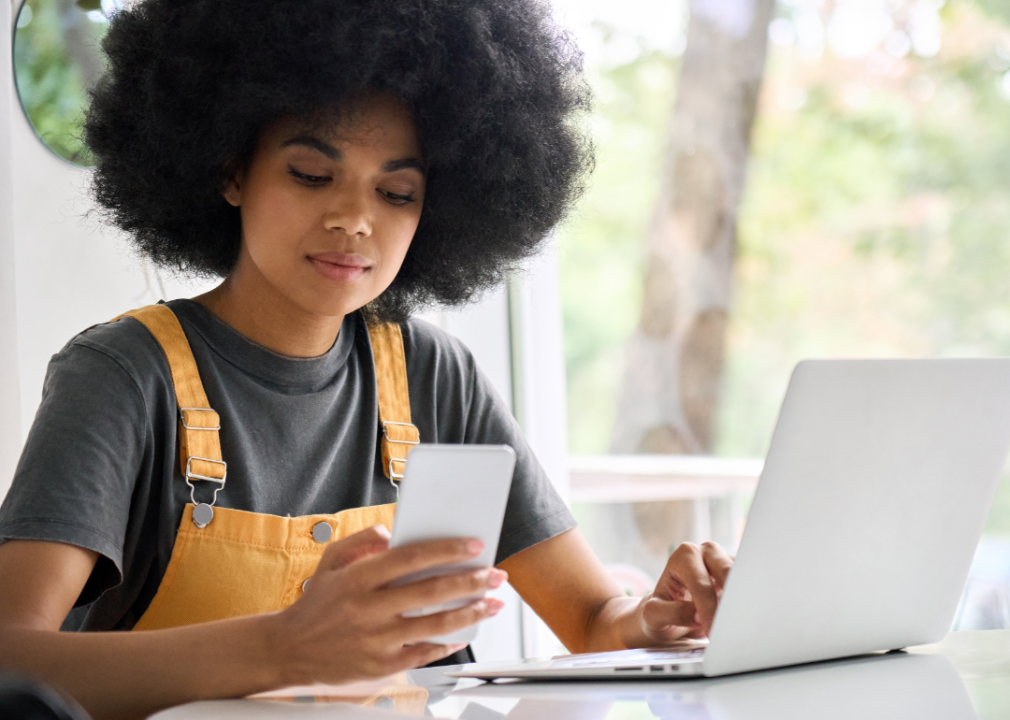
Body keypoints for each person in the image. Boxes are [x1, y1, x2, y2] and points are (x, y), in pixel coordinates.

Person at [0, 1, 734, 718]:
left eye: (396, 192)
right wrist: (286, 647)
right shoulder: (123, 375)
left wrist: (658, 620)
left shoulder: (432, 377)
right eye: (312, 175)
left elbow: (595, 621)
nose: (354, 219)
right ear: (230, 171)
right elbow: (10, 658)